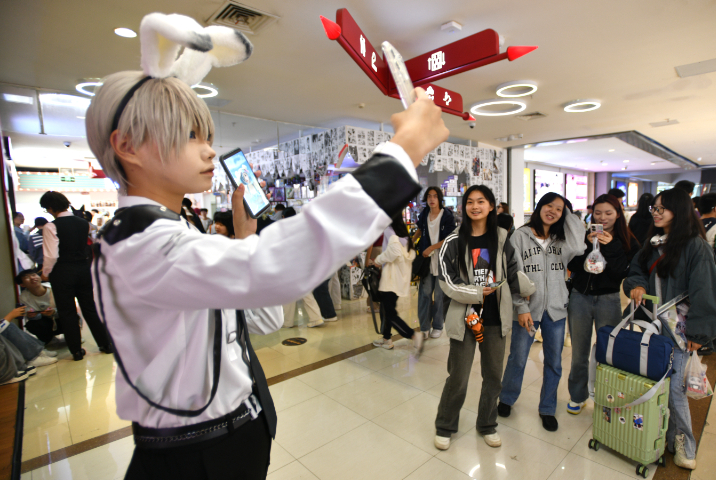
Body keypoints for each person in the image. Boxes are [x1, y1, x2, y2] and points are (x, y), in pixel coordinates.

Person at [84, 24, 447, 476]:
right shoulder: (136, 242)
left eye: (207, 136)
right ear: (127, 147)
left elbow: (264, 316)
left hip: (238, 432)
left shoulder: (174, 233)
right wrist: (404, 149)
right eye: (191, 136)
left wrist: (244, 242)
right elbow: (277, 268)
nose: (208, 152)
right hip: (192, 455)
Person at [624, 188, 716, 470]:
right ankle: (662, 435)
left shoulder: (695, 247)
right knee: (657, 383)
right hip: (652, 326)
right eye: (654, 208)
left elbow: (706, 292)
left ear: (678, 212)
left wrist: (698, 334)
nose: (655, 213)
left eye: (661, 209)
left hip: (680, 332)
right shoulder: (654, 242)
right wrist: (637, 285)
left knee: (676, 390)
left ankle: (684, 443)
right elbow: (636, 271)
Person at [434, 185, 535, 450]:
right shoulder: (453, 241)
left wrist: (524, 302)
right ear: (464, 207)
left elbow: (513, 273)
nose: (475, 206)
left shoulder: (502, 238)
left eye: (481, 201)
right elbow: (446, 281)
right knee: (458, 377)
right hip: (464, 318)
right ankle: (445, 425)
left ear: (492, 206)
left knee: (493, 376)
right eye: (470, 202)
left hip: (495, 319)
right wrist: (476, 292)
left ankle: (487, 423)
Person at [495, 192, 585, 432]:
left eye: (559, 209)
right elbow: (513, 276)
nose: (553, 211)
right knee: (518, 358)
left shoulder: (562, 240)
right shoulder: (520, 237)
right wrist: (521, 307)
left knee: (554, 362)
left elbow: (579, 245)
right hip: (528, 311)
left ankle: (547, 408)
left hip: (556, 309)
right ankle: (506, 398)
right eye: (549, 205)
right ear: (539, 206)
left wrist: (570, 214)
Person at [565, 194, 640, 415]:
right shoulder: (583, 235)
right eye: (598, 212)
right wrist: (586, 246)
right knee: (579, 352)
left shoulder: (628, 241)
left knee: (609, 351)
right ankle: (577, 396)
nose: (603, 217)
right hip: (579, 297)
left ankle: (607, 396)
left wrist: (612, 246)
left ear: (618, 214)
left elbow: (622, 272)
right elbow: (573, 264)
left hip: (608, 299)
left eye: (608, 213)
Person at [39, 191, 113, 361]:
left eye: (47, 209)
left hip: (62, 271)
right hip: (83, 269)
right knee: (89, 307)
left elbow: (51, 256)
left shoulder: (51, 226)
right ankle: (105, 344)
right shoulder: (83, 223)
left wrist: (45, 273)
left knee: (67, 311)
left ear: (50, 207)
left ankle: (76, 351)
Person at [371, 218, 422, 353]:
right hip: (400, 279)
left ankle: (413, 334)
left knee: (390, 313)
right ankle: (386, 338)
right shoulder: (404, 235)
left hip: (390, 279)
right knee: (387, 309)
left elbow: (394, 252)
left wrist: (377, 260)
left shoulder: (389, 230)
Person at [413, 186, 456, 339]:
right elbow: (419, 228)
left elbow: (450, 238)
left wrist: (432, 247)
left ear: (439, 199)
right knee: (424, 294)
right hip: (426, 261)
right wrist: (411, 242)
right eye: (429, 196)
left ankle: (438, 325)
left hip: (442, 261)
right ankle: (424, 327)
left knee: (439, 295)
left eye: (435, 196)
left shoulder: (447, 216)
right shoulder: (425, 213)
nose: (431, 199)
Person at [16, 269, 62, 344]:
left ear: (40, 277)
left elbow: (68, 308)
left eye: (34, 275)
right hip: (46, 322)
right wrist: (32, 316)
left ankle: (72, 337)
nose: (32, 278)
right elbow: (30, 316)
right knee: (31, 325)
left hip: (60, 319)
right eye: (27, 277)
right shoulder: (23, 297)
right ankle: (49, 340)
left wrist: (54, 312)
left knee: (70, 316)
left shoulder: (54, 288)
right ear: (22, 285)